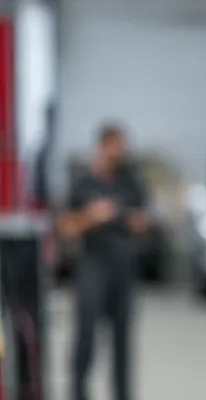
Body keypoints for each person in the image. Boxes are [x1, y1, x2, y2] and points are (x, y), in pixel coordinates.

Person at [59, 123, 150, 400]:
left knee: (122, 341)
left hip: (122, 269)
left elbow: (143, 223)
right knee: (86, 336)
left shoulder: (130, 182)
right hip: (92, 266)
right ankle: (78, 392)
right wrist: (93, 216)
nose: (118, 154)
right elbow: (66, 227)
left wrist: (120, 215)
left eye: (122, 149)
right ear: (102, 148)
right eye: (114, 148)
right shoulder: (83, 184)